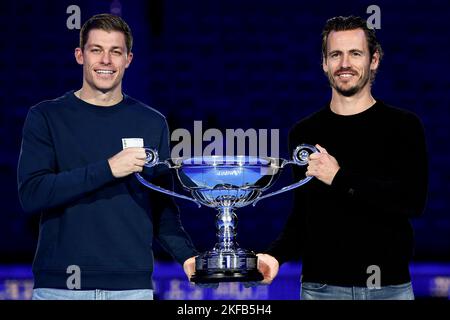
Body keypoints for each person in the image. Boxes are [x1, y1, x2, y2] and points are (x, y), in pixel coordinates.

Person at [17, 13, 197, 300]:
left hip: (131, 289)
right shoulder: (46, 117)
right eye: (96, 50)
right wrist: (109, 168)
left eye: (116, 52)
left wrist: (188, 258)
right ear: (80, 55)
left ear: (128, 59)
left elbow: (162, 207)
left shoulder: (151, 122)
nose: (106, 61)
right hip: (60, 289)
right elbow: (32, 194)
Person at [257, 15, 428, 300]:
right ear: (324, 63)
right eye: (335, 54)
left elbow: (411, 201)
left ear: (374, 60)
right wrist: (275, 257)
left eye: (355, 53)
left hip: (389, 289)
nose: (344, 64)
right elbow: (303, 216)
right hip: (321, 289)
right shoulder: (305, 131)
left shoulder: (404, 126)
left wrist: (338, 177)